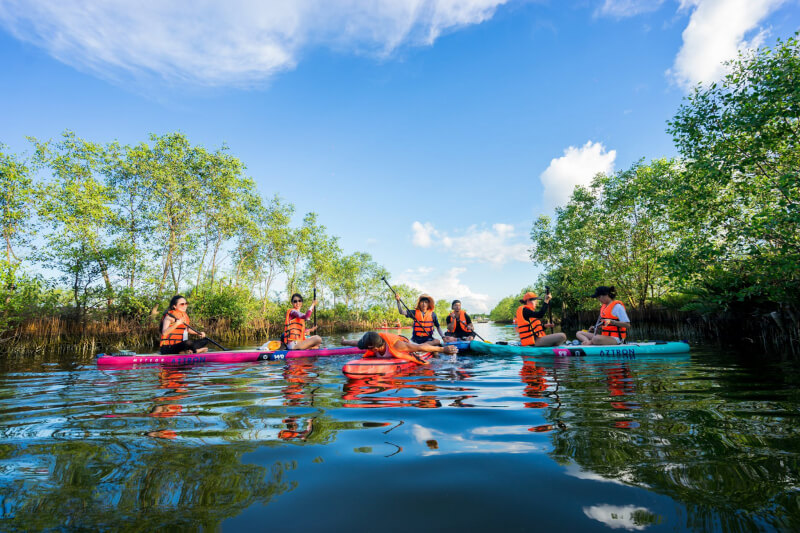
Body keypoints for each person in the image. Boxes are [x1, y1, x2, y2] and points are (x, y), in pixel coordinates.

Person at [342, 331, 458, 364]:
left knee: (418, 346)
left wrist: (443, 349)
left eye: (366, 348)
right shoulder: (371, 343)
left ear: (374, 348)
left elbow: (420, 349)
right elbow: (356, 343)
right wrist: (344, 341)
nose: (364, 349)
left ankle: (434, 341)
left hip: (403, 341)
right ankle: (434, 341)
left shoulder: (397, 346)